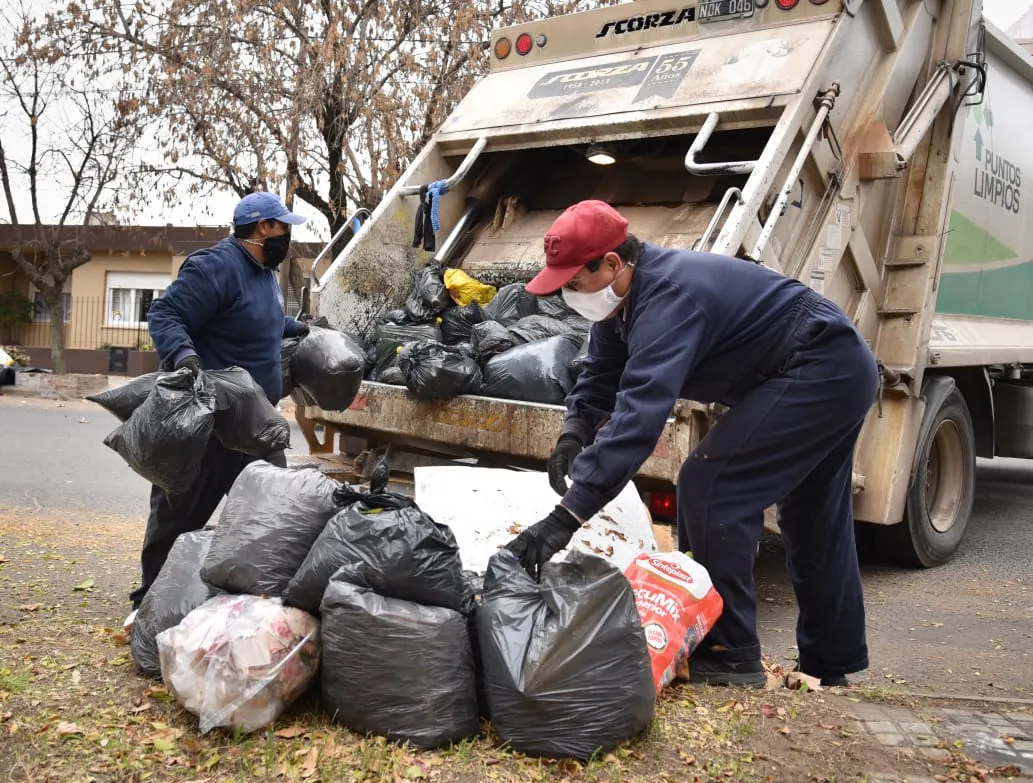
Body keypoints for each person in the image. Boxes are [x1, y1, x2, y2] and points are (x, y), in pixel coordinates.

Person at [504, 200, 878, 688]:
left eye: (575, 281)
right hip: (831, 368)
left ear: (613, 264)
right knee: (810, 515)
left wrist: (565, 518)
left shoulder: (668, 300)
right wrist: (574, 433)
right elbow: (599, 376)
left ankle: (730, 652)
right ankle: (830, 664)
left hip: (823, 366)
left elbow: (640, 418)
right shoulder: (621, 303)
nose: (569, 294)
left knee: (712, 484)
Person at [124, 192, 311, 625]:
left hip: (256, 425)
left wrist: (297, 327)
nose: (289, 235)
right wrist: (186, 357)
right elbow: (166, 313)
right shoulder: (217, 267)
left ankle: (261, 610)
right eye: (284, 226)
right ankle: (149, 607)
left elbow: (254, 320)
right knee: (178, 517)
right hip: (210, 425)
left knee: (274, 515)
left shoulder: (263, 273)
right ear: (264, 227)